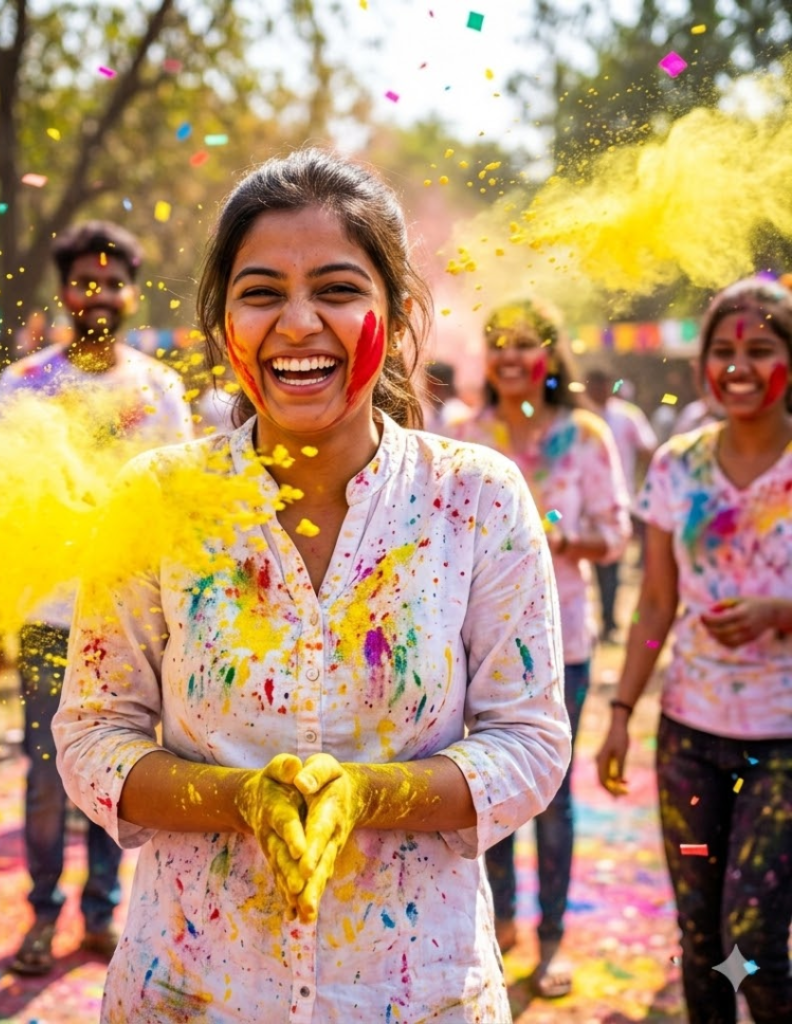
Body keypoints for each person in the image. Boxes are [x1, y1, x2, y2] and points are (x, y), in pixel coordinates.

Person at [53, 148, 571, 1023]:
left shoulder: (474, 497)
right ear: (222, 323)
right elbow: (92, 736)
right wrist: (241, 800)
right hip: (195, 989)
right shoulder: (156, 500)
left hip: (417, 991)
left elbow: (529, 742)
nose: (298, 324)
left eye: (337, 289)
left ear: (397, 313)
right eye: (261, 293)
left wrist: (367, 795)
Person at [0, 220, 195, 975]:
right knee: (47, 778)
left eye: (113, 282)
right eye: (85, 281)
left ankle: (102, 912)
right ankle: (42, 914)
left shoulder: (159, 387)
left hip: (137, 621)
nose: (98, 295)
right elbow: (2, 508)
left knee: (125, 769)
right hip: (47, 616)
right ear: (63, 289)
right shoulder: (24, 386)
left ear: (134, 292)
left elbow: (178, 504)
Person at [596, 276, 792, 1024]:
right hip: (689, 737)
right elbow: (653, 602)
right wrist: (619, 710)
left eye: (761, 349)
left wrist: (781, 611)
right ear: (702, 363)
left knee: (756, 941)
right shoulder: (676, 464)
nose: (739, 366)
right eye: (724, 350)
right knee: (700, 938)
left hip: (781, 745)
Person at [453, 299, 631, 999]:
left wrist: (554, 541)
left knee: (549, 795)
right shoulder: (464, 433)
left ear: (551, 357)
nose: (509, 357)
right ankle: (500, 928)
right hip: (475, 642)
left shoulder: (586, 435)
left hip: (565, 641)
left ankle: (551, 938)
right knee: (481, 781)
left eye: (525, 345)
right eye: (498, 344)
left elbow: (616, 535)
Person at [585, 366, 659, 642]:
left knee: (611, 565)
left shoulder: (627, 416)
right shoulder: (578, 419)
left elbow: (648, 450)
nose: (598, 390)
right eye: (593, 384)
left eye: (602, 384)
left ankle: (609, 621)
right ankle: (588, 623)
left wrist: (645, 487)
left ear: (611, 386)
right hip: (577, 509)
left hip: (617, 502)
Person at [421, 359, 471, 434]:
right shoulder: (437, 412)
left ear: (434, 385)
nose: (425, 389)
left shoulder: (456, 415)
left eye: (427, 384)